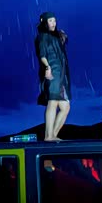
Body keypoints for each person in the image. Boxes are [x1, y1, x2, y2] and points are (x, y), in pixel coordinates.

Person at [35, 12, 71, 141]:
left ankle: (52, 135)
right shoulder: (42, 36)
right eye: (50, 20)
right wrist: (47, 67)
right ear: (45, 22)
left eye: (54, 20)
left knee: (65, 107)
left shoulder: (56, 36)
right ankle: (48, 135)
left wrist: (61, 37)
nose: (53, 23)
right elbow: (42, 54)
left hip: (62, 75)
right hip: (52, 71)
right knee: (53, 101)